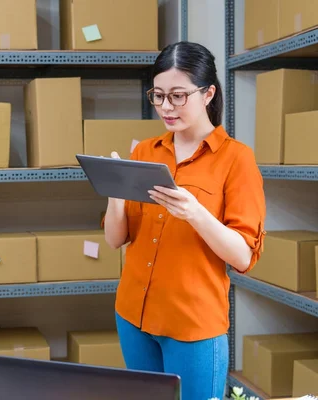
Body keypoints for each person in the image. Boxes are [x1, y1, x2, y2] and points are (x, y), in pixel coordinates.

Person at [102, 41, 266, 400]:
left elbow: (242, 257)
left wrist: (195, 213)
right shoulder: (145, 152)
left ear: (208, 93)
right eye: (158, 96)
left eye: (178, 96)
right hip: (133, 315)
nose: (166, 107)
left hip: (193, 325)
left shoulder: (237, 160)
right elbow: (116, 239)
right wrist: (115, 195)